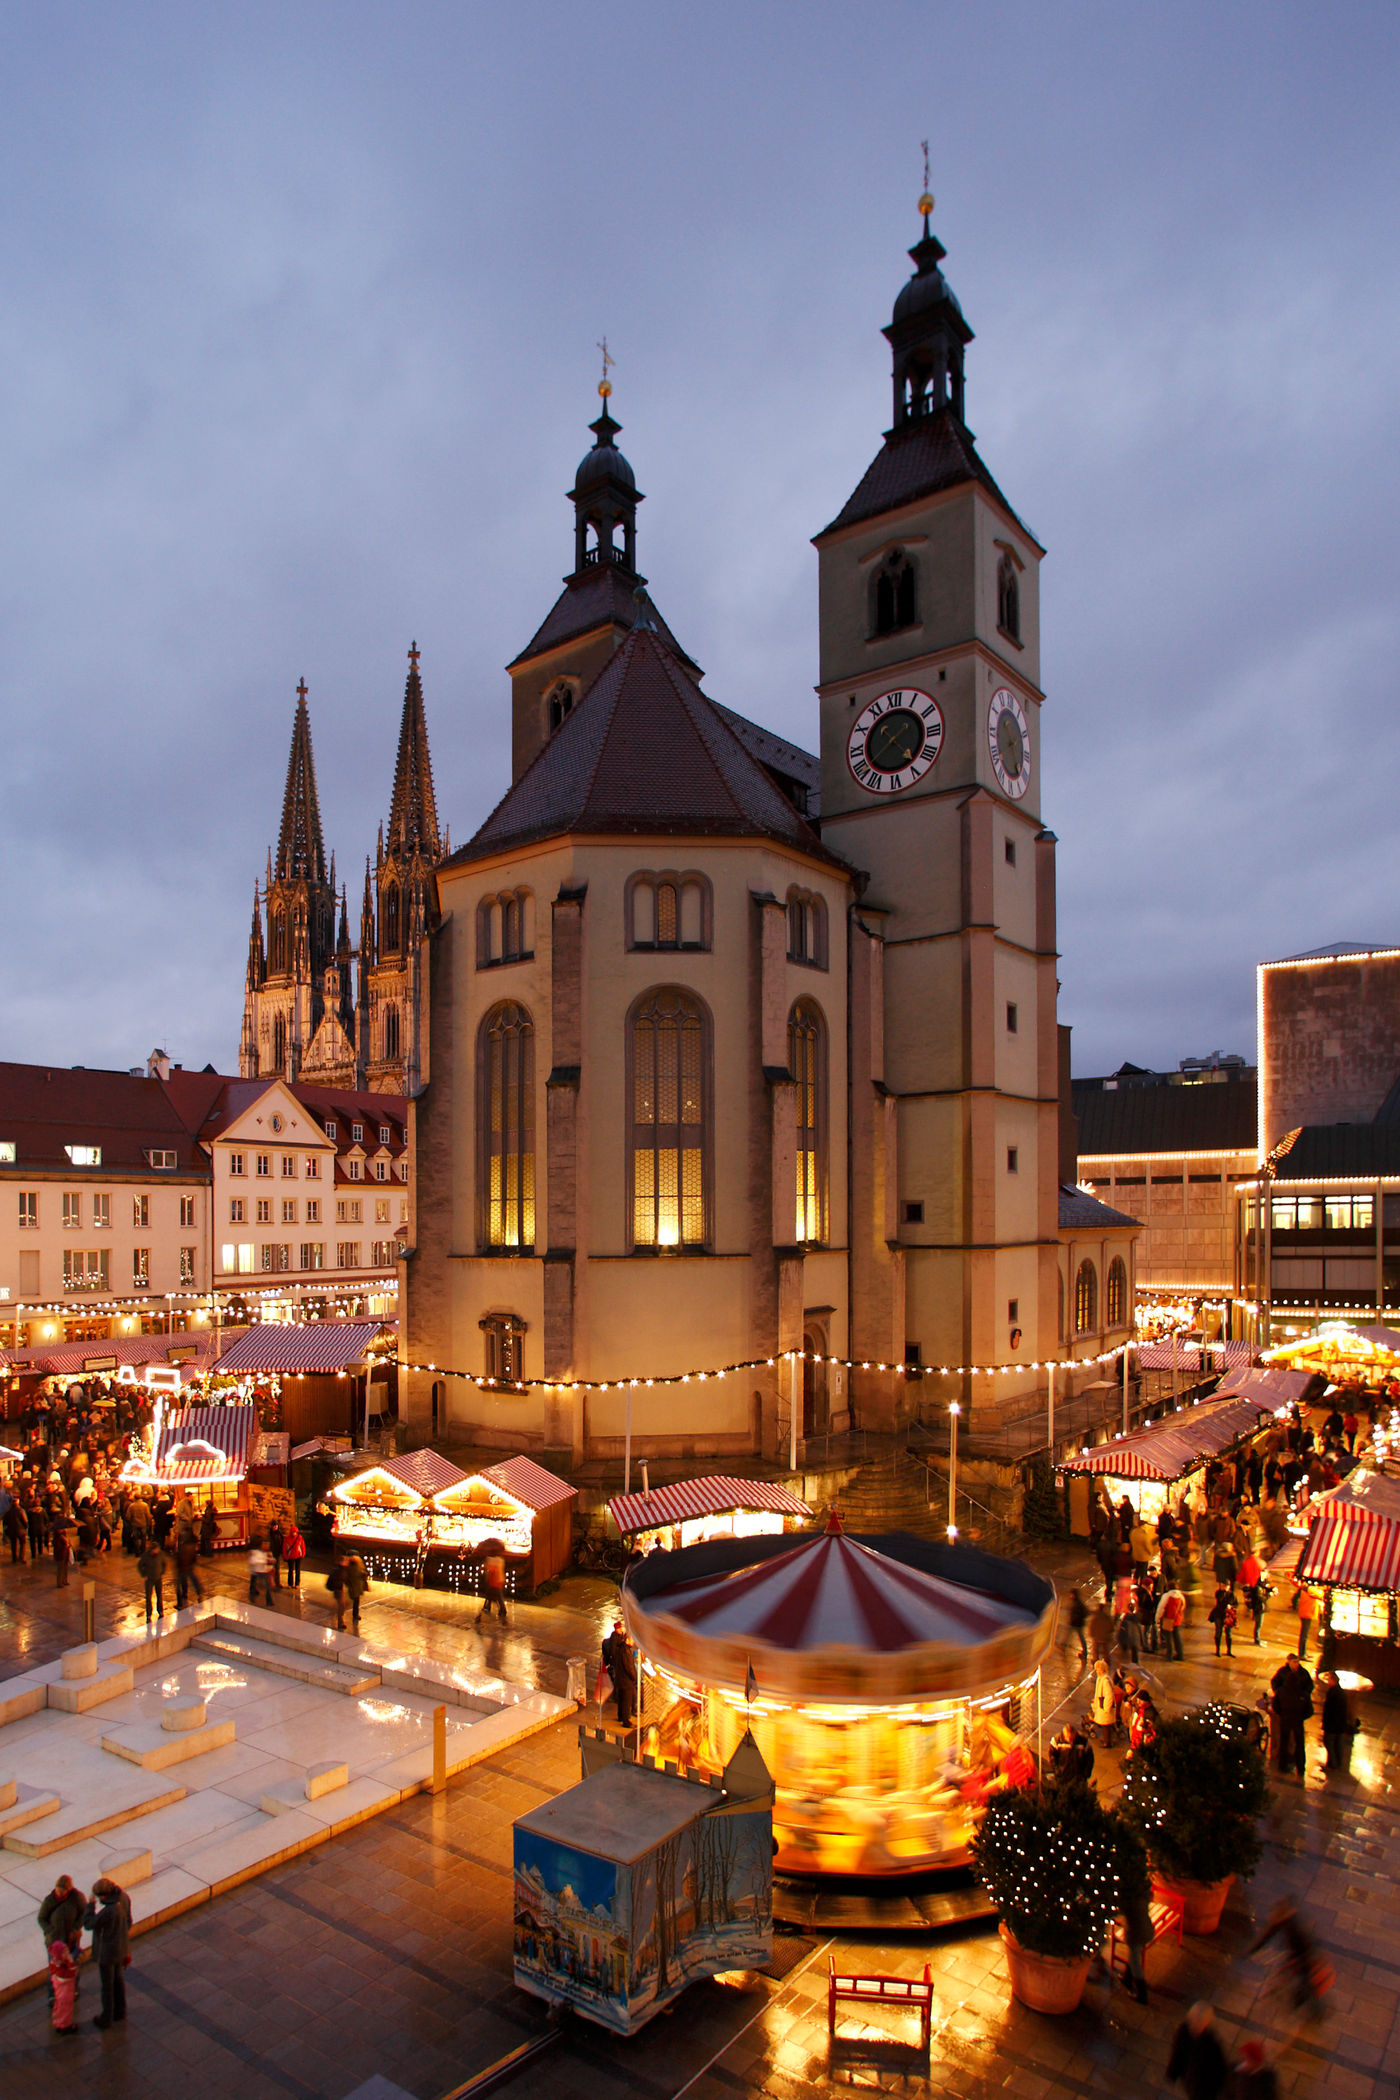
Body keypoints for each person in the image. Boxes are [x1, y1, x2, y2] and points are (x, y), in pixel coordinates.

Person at [85, 1877, 132, 2030]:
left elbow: (89, 1924)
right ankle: (120, 2011)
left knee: (107, 1985)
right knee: (118, 1980)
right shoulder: (124, 1898)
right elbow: (128, 1922)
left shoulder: (109, 1910)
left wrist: (90, 1907)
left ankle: (106, 2017)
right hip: (121, 1948)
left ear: (104, 1895)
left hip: (107, 1953)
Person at [1166, 2002, 1229, 2100]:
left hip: (1205, 2088)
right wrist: (1172, 2072)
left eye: (1198, 2021)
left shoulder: (1212, 2045)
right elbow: (1177, 2053)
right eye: (1193, 2019)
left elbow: (1220, 2069)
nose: (1194, 2024)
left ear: (1205, 2023)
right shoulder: (1183, 2031)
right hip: (1190, 2080)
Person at [1270, 1654, 1314, 1777]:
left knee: (1285, 1742)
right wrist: (1301, 1716)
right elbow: (1309, 1710)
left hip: (1286, 1719)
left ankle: (1282, 1765)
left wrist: (1282, 1713)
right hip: (1297, 1721)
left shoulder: (1283, 1691)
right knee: (1299, 1744)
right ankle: (1300, 1767)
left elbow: (1276, 1706)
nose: (1297, 1664)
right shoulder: (1301, 1694)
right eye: (1294, 1662)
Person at [1121, 1880, 1153, 2005]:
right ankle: (1127, 1978)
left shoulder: (1129, 1899)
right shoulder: (1143, 1891)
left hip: (1136, 1933)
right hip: (1146, 1929)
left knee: (1135, 1961)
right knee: (1134, 1954)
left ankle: (1142, 1994)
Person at [603, 1618, 637, 1726]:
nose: (633, 1642)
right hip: (626, 1682)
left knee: (621, 1700)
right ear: (627, 1641)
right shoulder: (626, 1652)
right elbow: (629, 1667)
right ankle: (626, 1721)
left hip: (620, 1680)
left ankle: (620, 1717)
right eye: (631, 1640)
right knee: (626, 1701)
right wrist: (634, 1677)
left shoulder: (621, 1649)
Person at [1319, 1671, 1353, 1775]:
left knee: (1329, 1743)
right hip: (1340, 1724)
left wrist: (1325, 1722)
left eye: (1329, 1679)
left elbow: (1329, 1710)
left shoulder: (1332, 1693)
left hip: (1332, 1724)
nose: (1328, 1682)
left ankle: (1332, 1764)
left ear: (1333, 1681)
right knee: (1338, 1744)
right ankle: (1337, 1763)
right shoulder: (1342, 1693)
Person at [1047, 1721, 1094, 1789]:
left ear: (1075, 1734)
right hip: (1062, 1775)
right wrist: (1056, 1770)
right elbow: (1052, 1757)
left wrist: (1086, 1774)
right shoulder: (1057, 1741)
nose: (1070, 1741)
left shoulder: (1084, 1742)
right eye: (1068, 1738)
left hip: (1079, 1776)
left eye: (1071, 1738)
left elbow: (1090, 1759)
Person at [48, 1937, 79, 2036]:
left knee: (59, 2009)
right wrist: (71, 1961)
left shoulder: (55, 1964)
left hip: (59, 1993)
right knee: (66, 2010)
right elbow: (72, 1972)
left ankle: (59, 2024)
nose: (68, 1953)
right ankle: (66, 2026)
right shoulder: (64, 1969)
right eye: (65, 1952)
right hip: (66, 1993)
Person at [476, 1542, 508, 1625]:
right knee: (498, 1596)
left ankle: (499, 1610)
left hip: (493, 1581)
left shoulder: (490, 1559)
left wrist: (485, 1568)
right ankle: (497, 1609)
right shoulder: (501, 1560)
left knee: (493, 1596)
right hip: (499, 1581)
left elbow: (490, 1569)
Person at [1089, 1658, 1119, 1746]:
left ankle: (1107, 1742)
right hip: (1101, 1705)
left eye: (1098, 1668)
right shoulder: (1101, 1679)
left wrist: (1106, 1708)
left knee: (1106, 1725)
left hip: (1104, 1706)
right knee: (1105, 1725)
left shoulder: (1105, 1681)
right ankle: (1106, 1740)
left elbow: (1109, 1695)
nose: (1096, 1670)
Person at [136, 1540, 167, 1621]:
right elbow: (140, 1565)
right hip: (149, 1579)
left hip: (158, 1578)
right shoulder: (146, 1556)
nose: (158, 1550)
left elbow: (164, 1564)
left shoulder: (160, 1554)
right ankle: (149, 1613)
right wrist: (144, 1574)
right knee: (148, 1597)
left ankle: (160, 1611)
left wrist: (162, 1572)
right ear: (152, 1550)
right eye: (156, 1549)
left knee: (159, 1595)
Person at [1156, 1579, 1186, 1661]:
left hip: (1168, 1619)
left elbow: (1161, 1608)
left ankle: (1169, 1655)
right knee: (1177, 1637)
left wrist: (1157, 1618)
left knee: (1168, 1638)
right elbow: (1183, 1607)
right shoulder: (1181, 1596)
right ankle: (1180, 1654)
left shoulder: (1166, 1596)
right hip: (1177, 1620)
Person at [342, 1551, 370, 1632]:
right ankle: (347, 1616)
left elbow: (362, 1571)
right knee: (353, 1600)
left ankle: (355, 1614)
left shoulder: (357, 1563)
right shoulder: (349, 1565)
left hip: (357, 1584)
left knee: (356, 1599)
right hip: (353, 1584)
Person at [1209, 1585, 1237, 1658]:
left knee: (1229, 1633)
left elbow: (1236, 1604)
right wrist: (1223, 1592)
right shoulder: (1219, 1593)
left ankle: (1229, 1651)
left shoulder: (1232, 1594)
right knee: (1218, 1632)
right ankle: (1218, 1650)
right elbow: (1220, 1600)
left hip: (1227, 1616)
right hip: (1219, 1615)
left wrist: (1231, 1606)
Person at [247, 1537, 273, 1607]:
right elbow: (252, 1561)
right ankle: (253, 1596)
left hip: (263, 1571)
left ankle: (269, 1601)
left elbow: (268, 1560)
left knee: (267, 1586)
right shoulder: (255, 1552)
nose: (266, 1546)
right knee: (254, 1584)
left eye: (267, 1544)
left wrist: (271, 1560)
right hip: (256, 1570)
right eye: (265, 1544)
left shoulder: (265, 1552)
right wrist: (263, 1561)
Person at [1295, 1583, 1318, 1659]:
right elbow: (1320, 1595)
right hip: (1307, 1614)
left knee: (1304, 1635)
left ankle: (1303, 1652)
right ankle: (1302, 1654)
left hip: (1306, 1613)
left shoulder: (1306, 1588)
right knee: (1304, 1635)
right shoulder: (1309, 1589)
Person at [1065, 1588, 1089, 1662]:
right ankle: (1064, 1646)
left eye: (1071, 1594)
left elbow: (1084, 1613)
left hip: (1077, 1624)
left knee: (1080, 1637)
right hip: (1076, 1623)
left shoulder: (1078, 1604)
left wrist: (1076, 1617)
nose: (1070, 1596)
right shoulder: (1076, 1602)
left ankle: (1085, 1652)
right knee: (1069, 1635)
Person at [1087, 1599, 1114, 1664]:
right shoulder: (1107, 1617)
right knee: (1106, 1650)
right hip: (1105, 1637)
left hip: (1097, 1637)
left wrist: (1091, 1634)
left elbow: (1092, 1627)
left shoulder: (1095, 1617)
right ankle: (1107, 1660)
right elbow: (1111, 1627)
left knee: (1095, 1650)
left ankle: (1095, 1660)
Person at [282, 1519, 307, 1588]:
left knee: (297, 1570)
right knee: (290, 1570)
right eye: (293, 1532)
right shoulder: (287, 1539)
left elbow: (302, 1546)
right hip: (290, 1557)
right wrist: (285, 1556)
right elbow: (284, 1548)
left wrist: (303, 1553)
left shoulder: (299, 1538)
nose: (294, 1533)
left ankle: (297, 1584)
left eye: (295, 1532)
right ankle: (290, 1584)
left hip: (298, 1556)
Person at [266, 1517, 284, 1590]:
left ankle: (277, 1582)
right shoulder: (269, 1535)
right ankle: (271, 1583)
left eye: (276, 1526)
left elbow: (282, 1542)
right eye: (274, 1526)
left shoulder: (279, 1534)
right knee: (271, 1569)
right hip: (271, 1554)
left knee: (277, 1569)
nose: (276, 1527)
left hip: (277, 1553)